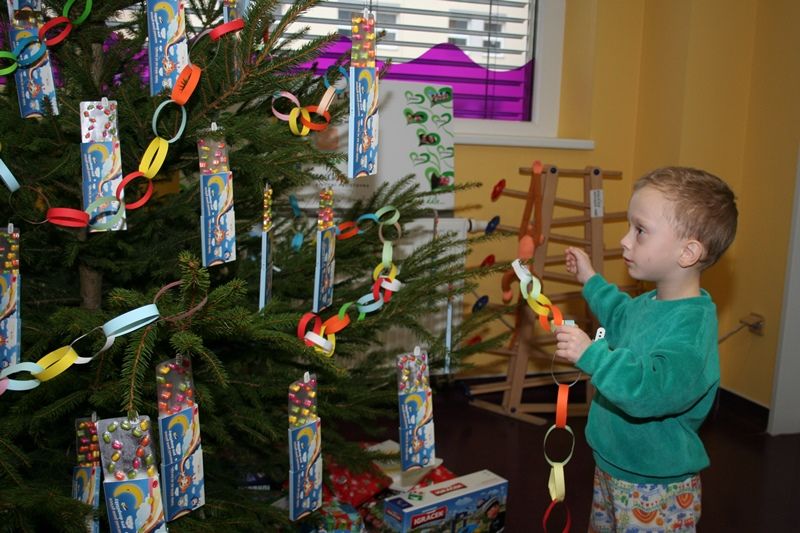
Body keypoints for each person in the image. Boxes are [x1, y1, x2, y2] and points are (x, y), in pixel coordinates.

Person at [553, 166, 738, 532]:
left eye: (640, 231)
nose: (625, 240)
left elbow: (648, 391)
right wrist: (590, 280)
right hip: (613, 464)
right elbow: (620, 313)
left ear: (687, 252)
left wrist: (593, 355)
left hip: (654, 486)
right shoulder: (651, 302)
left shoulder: (691, 331)